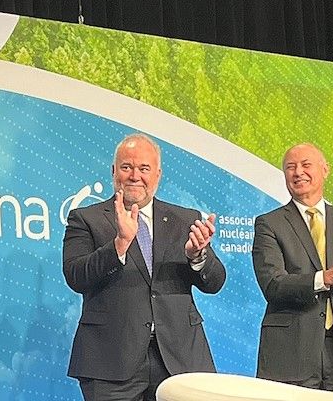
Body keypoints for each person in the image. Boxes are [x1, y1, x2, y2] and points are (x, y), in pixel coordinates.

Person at [63, 133, 226, 400]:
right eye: (127, 167)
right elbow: (76, 276)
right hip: (111, 362)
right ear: (114, 171)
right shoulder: (86, 218)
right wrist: (119, 244)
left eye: (144, 168)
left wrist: (197, 255)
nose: (134, 176)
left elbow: (215, 282)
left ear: (158, 175)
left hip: (180, 359)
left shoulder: (184, 219)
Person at [252, 143, 333, 390]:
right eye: (290, 167)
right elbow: (273, 285)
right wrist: (329, 276)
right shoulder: (269, 223)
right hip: (291, 352)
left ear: (325, 170)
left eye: (306, 165)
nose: (298, 172)